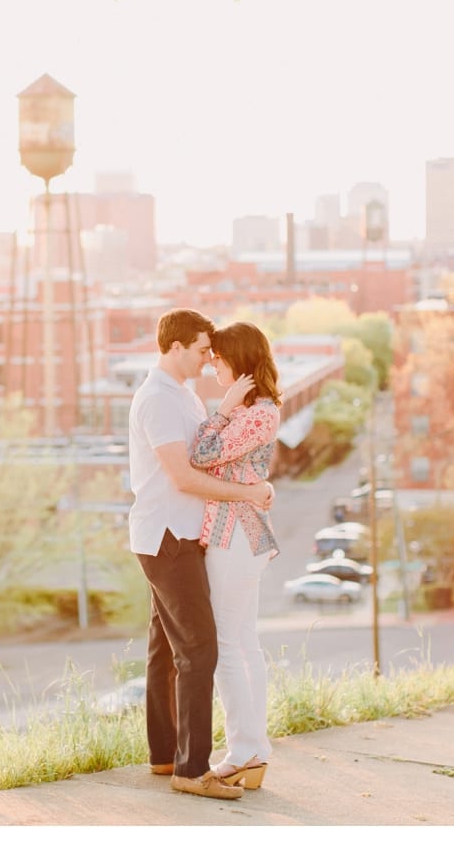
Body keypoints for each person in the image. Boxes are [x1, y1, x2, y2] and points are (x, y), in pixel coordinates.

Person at [127, 308, 274, 801]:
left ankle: (164, 754)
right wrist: (251, 494)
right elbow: (185, 476)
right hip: (169, 536)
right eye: (202, 349)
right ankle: (192, 770)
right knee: (200, 649)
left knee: (165, 648)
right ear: (174, 347)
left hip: (186, 533)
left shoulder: (183, 396)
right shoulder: (159, 401)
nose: (210, 357)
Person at [188, 320, 281, 790]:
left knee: (230, 643)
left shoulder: (258, 413)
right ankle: (252, 750)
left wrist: (221, 410)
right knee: (241, 641)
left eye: (218, 358)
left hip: (238, 536)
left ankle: (245, 751)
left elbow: (201, 455)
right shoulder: (254, 411)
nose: (212, 364)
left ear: (239, 361)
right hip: (234, 535)